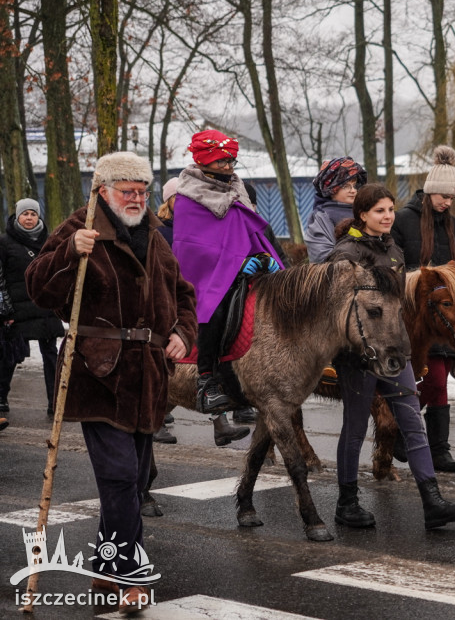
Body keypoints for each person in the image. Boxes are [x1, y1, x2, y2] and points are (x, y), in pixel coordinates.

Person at [24, 152, 197, 613]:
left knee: (134, 480)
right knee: (119, 476)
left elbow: (183, 294)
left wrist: (182, 332)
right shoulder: (81, 228)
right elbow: (38, 287)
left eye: (142, 191)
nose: (137, 199)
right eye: (128, 192)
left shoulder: (156, 238)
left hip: (149, 375)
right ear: (103, 191)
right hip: (97, 372)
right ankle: (126, 575)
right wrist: (68, 252)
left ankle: (104, 568)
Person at [325, 183, 455, 530]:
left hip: (396, 351)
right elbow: (338, 309)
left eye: (391, 209)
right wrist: (359, 348)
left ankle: (433, 502)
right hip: (360, 355)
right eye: (380, 211)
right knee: (355, 427)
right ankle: (346, 503)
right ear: (362, 215)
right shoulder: (345, 254)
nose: (388, 216)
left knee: (412, 423)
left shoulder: (393, 249)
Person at [172, 129, 283, 414]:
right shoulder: (187, 196)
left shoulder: (237, 187)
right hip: (207, 274)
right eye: (221, 161)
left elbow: (247, 232)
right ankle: (207, 380)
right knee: (214, 306)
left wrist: (264, 256)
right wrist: (234, 265)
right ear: (203, 161)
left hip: (246, 268)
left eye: (231, 161)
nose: (228, 167)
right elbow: (193, 245)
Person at [152, 176, 249, 446]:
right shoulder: (160, 232)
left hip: (201, 298)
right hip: (175, 303)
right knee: (184, 368)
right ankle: (157, 420)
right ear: (171, 201)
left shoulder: (198, 229)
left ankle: (220, 426)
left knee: (204, 361)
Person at [390, 145, 455, 472]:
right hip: (413, 318)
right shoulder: (403, 220)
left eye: (452, 198)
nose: (447, 203)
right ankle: (399, 434)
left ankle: (437, 449)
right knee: (426, 379)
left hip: (447, 318)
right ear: (430, 190)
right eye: (443, 196)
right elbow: (393, 267)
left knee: (438, 381)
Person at [0, 199, 64, 417]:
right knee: (9, 356)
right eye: (25, 214)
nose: (29, 218)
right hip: (16, 310)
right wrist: (5, 310)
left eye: (33, 214)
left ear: (39, 216)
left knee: (51, 356)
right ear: (17, 216)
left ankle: (54, 402)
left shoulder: (50, 242)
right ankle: (0, 397)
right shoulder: (4, 243)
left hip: (45, 307)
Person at [303, 157, 367, 263]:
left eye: (355, 186)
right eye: (346, 186)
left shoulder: (364, 211)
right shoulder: (322, 216)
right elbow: (321, 255)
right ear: (332, 189)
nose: (353, 190)